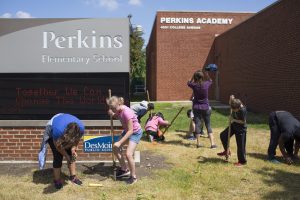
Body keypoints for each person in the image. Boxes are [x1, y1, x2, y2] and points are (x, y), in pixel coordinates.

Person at [38, 113, 85, 189]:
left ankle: (73, 177)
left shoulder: (81, 128)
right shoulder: (57, 131)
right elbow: (58, 146)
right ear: (65, 135)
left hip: (63, 122)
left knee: (71, 154)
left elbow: (77, 140)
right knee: (58, 156)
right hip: (53, 126)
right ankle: (57, 180)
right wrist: (66, 156)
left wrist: (73, 149)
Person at [107, 96, 143, 184]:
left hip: (135, 132)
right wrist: (112, 114)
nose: (113, 109)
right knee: (115, 148)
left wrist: (119, 142)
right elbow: (117, 115)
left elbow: (131, 131)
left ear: (119, 104)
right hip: (127, 131)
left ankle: (133, 177)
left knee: (128, 154)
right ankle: (124, 169)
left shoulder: (127, 112)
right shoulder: (118, 110)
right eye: (111, 108)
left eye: (114, 108)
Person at [187, 70, 217, 148]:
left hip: (196, 107)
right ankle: (212, 144)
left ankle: (198, 144)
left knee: (197, 124)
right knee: (208, 124)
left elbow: (188, 82)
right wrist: (207, 75)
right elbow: (211, 80)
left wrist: (193, 77)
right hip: (206, 107)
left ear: (195, 77)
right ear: (202, 77)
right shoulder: (206, 84)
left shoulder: (194, 85)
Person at [217, 96, 247, 167]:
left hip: (241, 129)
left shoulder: (243, 110)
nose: (233, 110)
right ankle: (227, 151)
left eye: (234, 110)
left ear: (238, 108)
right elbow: (231, 101)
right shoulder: (234, 104)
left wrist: (233, 120)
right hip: (234, 126)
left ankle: (242, 161)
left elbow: (243, 122)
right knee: (223, 135)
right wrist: (230, 99)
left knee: (240, 146)